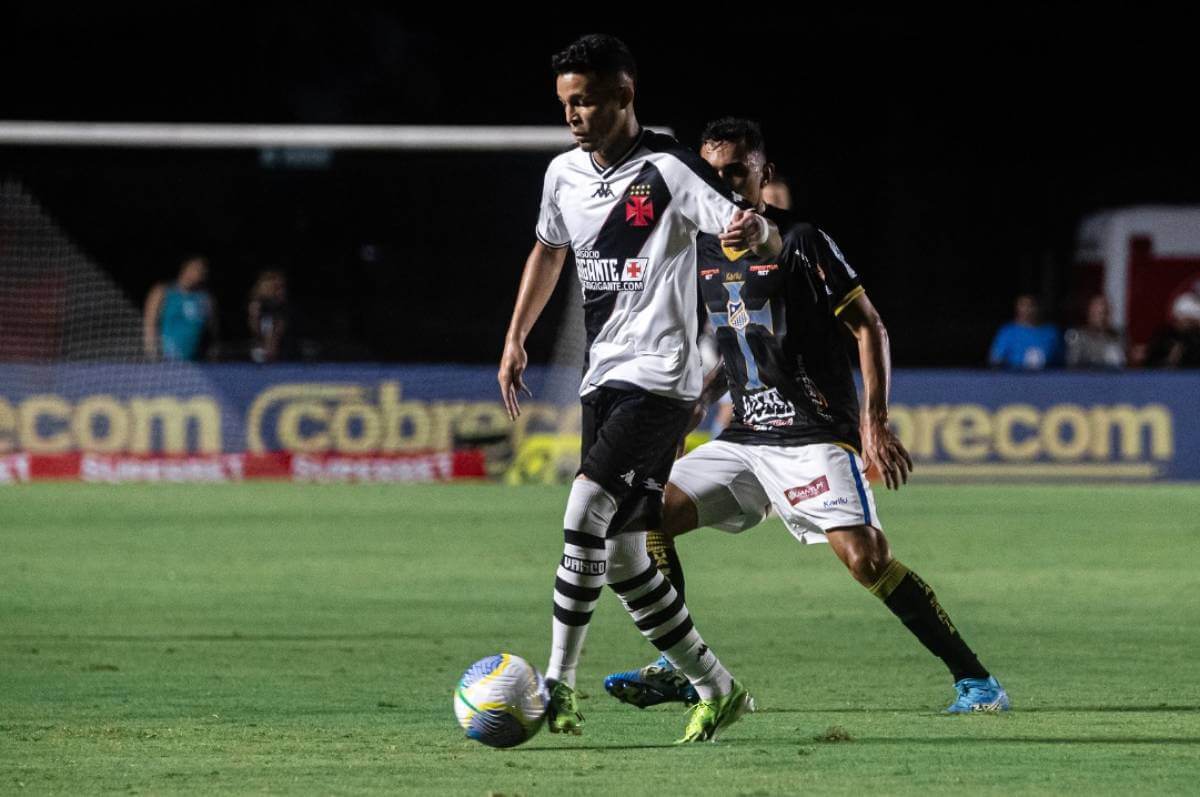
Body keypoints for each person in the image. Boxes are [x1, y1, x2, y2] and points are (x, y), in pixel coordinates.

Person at [603, 118, 1009, 715]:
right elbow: (732, 340)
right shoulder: (698, 249)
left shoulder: (802, 241)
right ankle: (679, 664)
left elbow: (869, 326)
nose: (724, 183)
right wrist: (690, 402)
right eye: (712, 174)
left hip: (814, 434)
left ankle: (977, 683)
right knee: (640, 514)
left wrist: (873, 424)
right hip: (744, 438)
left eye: (737, 170)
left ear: (764, 174)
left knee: (865, 559)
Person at [497, 35, 783, 743]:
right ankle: (718, 687)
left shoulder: (669, 169)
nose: (574, 114)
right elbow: (548, 248)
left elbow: (745, 230)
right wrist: (516, 335)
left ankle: (557, 686)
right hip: (603, 376)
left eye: (587, 99)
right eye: (566, 102)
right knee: (625, 553)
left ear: (625, 94)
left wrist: (755, 232)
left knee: (583, 502)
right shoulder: (563, 173)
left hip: (660, 379)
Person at [143, 254, 217, 361]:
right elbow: (150, 324)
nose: (201, 273)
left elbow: (213, 329)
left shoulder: (205, 298)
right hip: (168, 361)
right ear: (185, 267)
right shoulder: (162, 291)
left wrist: (212, 354)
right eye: (197, 269)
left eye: (203, 271)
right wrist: (152, 354)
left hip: (198, 363)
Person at [988, 294, 1062, 370]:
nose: (1027, 310)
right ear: (1017, 309)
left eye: (1031, 306)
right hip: (1014, 378)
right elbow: (996, 360)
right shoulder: (1007, 331)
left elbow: (1061, 359)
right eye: (1023, 306)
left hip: (1049, 378)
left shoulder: (1051, 331)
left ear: (1038, 308)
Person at [1141, 290, 1200, 368]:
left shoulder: (1196, 340)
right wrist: (1171, 358)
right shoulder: (1164, 336)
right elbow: (1151, 363)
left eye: (1192, 321)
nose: (1188, 324)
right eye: (1186, 319)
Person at [1065, 294, 1124, 369]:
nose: (1101, 318)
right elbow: (1072, 364)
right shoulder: (1077, 337)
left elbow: (1125, 362)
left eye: (1104, 313)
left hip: (1115, 379)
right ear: (1089, 313)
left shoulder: (1117, 336)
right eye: (1097, 313)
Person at [248, 269, 291, 363]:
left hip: (273, 323)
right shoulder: (257, 304)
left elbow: (279, 325)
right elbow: (254, 319)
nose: (280, 290)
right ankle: (265, 350)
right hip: (264, 324)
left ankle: (269, 350)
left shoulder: (279, 306)